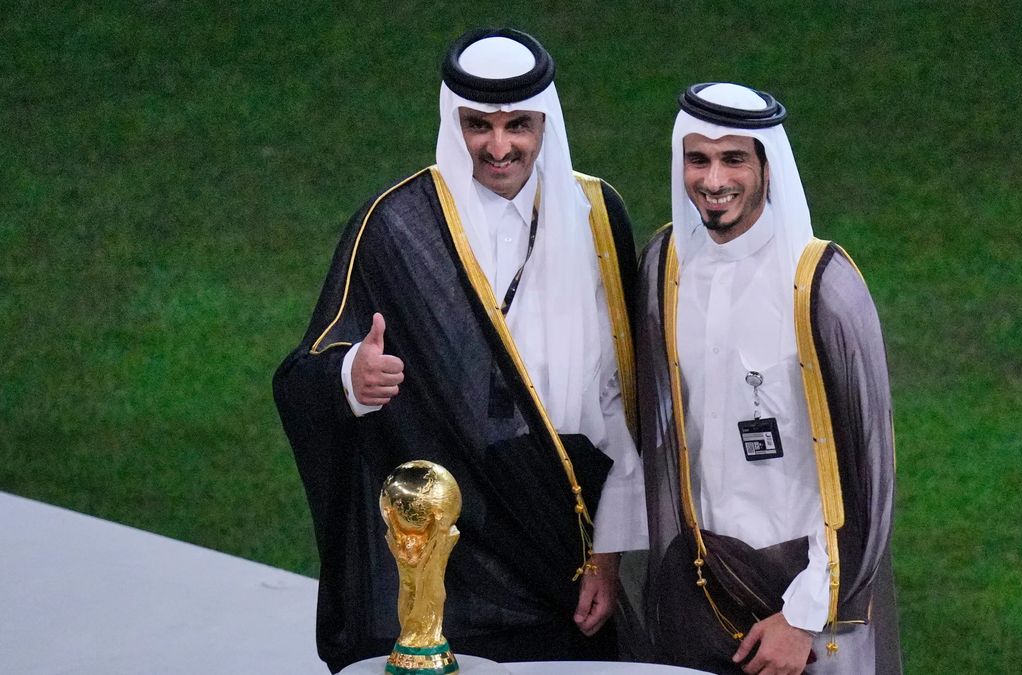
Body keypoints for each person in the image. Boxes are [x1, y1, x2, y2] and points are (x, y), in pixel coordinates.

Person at [273, 28, 647, 673]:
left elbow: (620, 399)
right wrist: (350, 379)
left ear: (545, 122)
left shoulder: (596, 214)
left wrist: (607, 555)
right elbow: (303, 372)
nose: (499, 147)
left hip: (564, 528)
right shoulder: (396, 223)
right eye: (479, 125)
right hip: (451, 534)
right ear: (454, 122)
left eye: (518, 126)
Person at [636, 83, 902, 675]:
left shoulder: (822, 287)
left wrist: (805, 614)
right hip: (699, 586)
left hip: (803, 606)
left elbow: (866, 471)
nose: (713, 179)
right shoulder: (664, 268)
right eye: (697, 158)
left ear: (766, 167)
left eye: (734, 159)